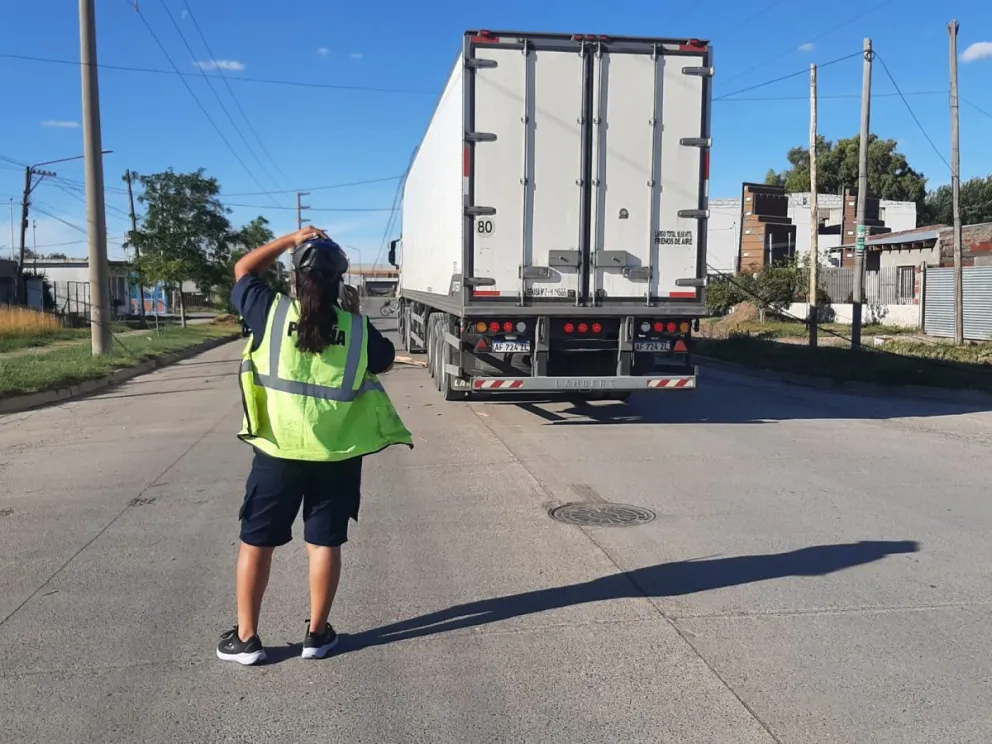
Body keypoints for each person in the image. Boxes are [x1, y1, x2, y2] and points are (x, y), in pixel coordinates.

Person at [217, 226, 412, 665]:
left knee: (257, 542)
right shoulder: (357, 329)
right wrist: (353, 315)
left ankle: (246, 639)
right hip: (335, 456)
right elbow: (384, 360)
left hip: (276, 452)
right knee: (323, 543)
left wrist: (291, 240)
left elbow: (244, 268)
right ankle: (317, 635)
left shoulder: (268, 311)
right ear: (340, 281)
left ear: (295, 277)